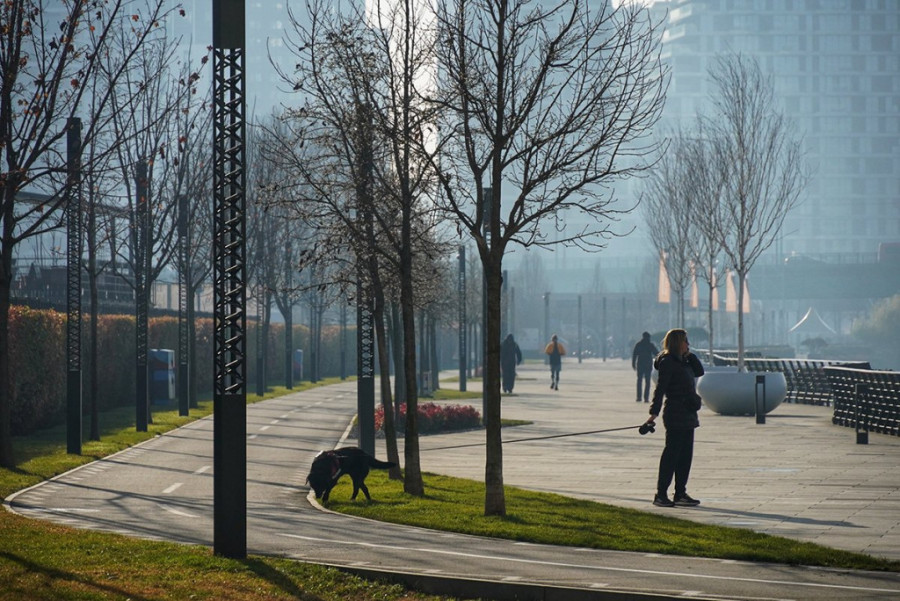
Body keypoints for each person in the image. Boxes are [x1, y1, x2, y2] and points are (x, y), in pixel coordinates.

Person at [643, 328, 704, 508]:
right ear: (678, 343)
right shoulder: (668, 362)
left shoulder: (684, 361)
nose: (688, 344)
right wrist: (653, 413)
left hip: (688, 413)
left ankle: (680, 493)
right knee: (672, 455)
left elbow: (699, 371)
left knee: (686, 456)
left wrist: (689, 355)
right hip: (675, 413)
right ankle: (661, 494)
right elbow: (660, 388)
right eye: (686, 341)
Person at [632, 331, 658, 403]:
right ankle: (646, 398)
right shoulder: (650, 344)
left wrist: (633, 364)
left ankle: (639, 397)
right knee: (647, 381)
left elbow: (634, 355)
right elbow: (656, 353)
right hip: (648, 365)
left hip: (640, 364)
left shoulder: (638, 344)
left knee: (639, 381)